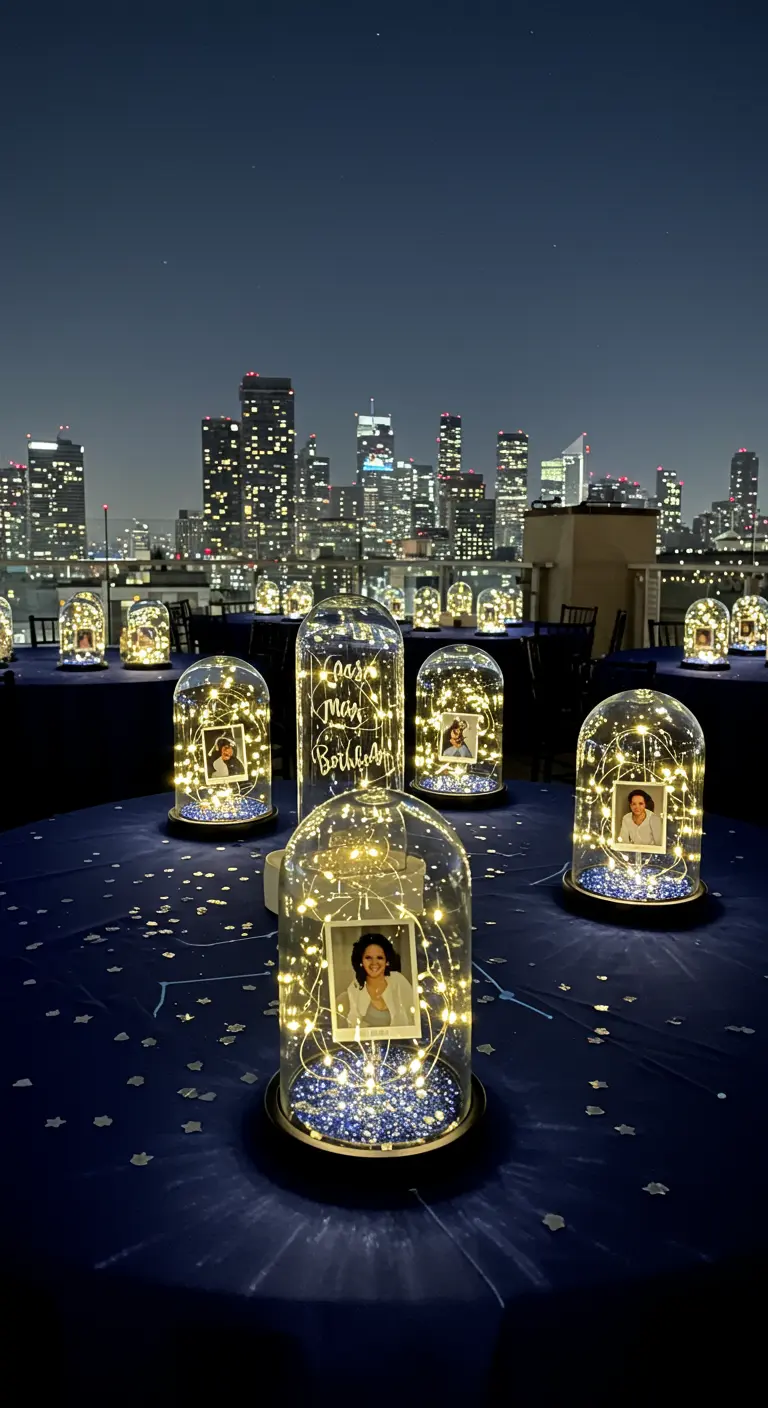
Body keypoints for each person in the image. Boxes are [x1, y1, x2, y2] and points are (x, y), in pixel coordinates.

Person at [343, 933, 416, 1031]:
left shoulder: (399, 981)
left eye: (380, 957)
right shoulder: (354, 988)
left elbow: (414, 1019)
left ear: (387, 961)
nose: (374, 963)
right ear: (361, 961)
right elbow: (352, 1027)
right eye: (368, 957)